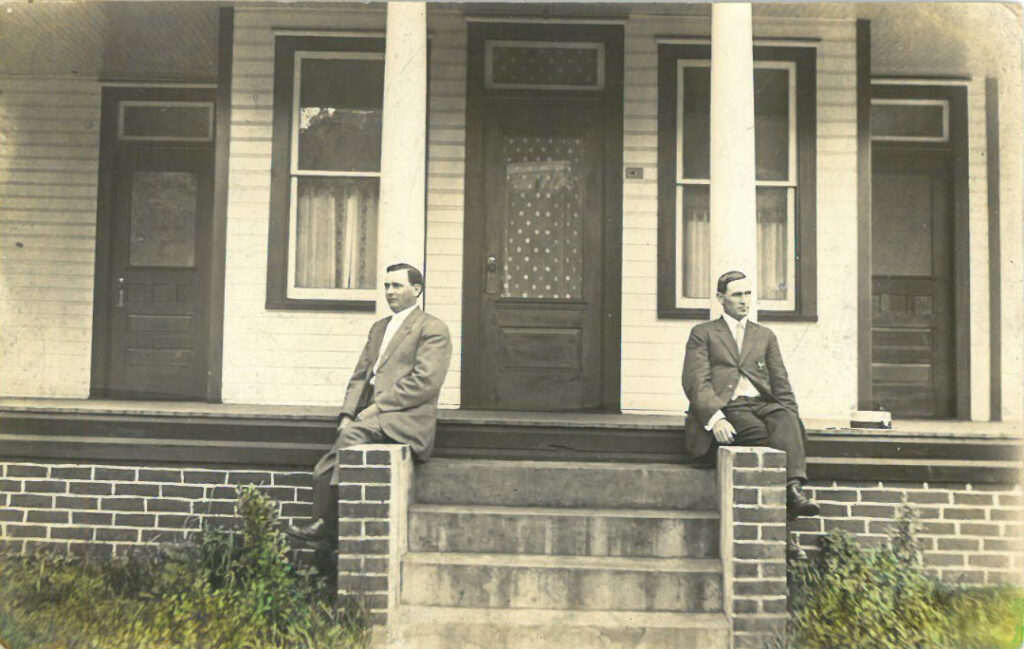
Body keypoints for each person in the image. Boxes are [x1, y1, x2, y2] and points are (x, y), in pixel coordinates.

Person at [286, 263, 452, 545]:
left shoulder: (432, 328)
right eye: (386, 285)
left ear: (417, 289)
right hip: (371, 415)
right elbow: (360, 375)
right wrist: (347, 414)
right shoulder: (379, 328)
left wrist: (376, 407)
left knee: (350, 438)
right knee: (332, 456)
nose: (389, 292)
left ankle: (325, 523)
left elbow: (424, 383)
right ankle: (327, 532)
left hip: (406, 417)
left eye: (397, 285)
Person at [682, 270, 819, 560]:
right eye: (736, 295)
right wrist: (715, 418)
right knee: (761, 440)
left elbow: (781, 385)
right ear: (721, 299)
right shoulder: (703, 333)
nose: (744, 301)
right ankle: (785, 534)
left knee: (785, 420)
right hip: (729, 408)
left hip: (762, 405)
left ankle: (794, 489)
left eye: (747, 294)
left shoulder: (764, 335)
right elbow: (696, 382)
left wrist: (795, 424)